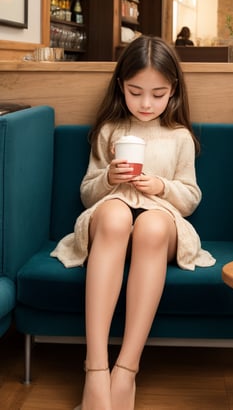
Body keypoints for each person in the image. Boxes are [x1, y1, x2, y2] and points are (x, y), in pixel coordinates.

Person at [51, 35, 215, 410]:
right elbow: (88, 194)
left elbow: (190, 198)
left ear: (173, 91)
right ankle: (95, 370)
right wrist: (109, 177)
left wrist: (160, 186)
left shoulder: (179, 137)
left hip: (163, 220)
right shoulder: (110, 129)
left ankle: (126, 370)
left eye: (157, 94)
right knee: (115, 214)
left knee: (152, 226)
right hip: (112, 215)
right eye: (135, 91)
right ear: (121, 87)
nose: (145, 104)